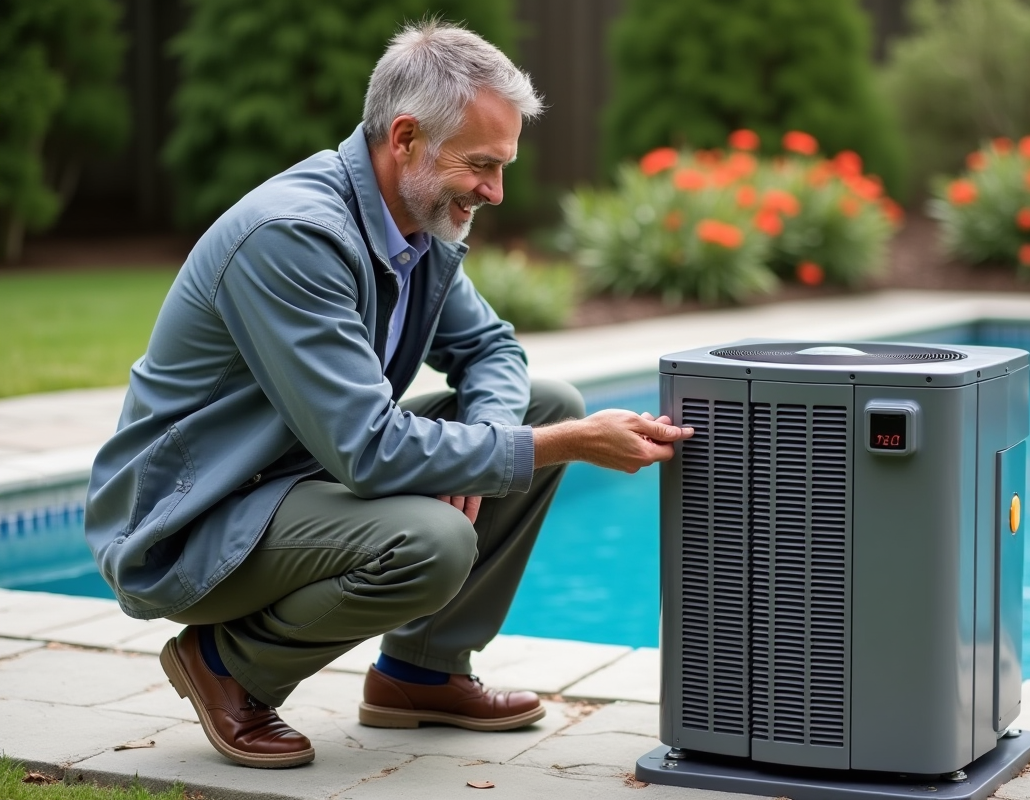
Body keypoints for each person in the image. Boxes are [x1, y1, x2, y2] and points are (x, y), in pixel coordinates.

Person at [84, 19, 692, 769]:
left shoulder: (418, 218)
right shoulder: (293, 237)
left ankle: (420, 674)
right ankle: (227, 667)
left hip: (294, 474)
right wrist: (559, 448)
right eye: (481, 164)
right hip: (192, 516)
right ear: (405, 137)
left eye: (502, 166)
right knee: (434, 543)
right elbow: (368, 451)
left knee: (548, 400)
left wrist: (494, 444)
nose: (495, 191)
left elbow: (490, 348)